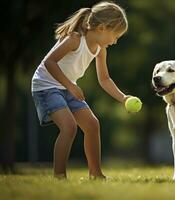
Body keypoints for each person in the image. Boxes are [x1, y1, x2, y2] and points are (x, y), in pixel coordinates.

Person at [31, 1, 131, 179]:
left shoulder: (100, 50)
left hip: (67, 86)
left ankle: (96, 174)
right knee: (69, 127)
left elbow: (105, 79)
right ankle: (59, 176)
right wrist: (71, 86)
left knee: (92, 125)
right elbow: (49, 62)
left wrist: (123, 98)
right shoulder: (75, 39)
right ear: (101, 28)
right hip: (46, 86)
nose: (115, 41)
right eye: (115, 36)